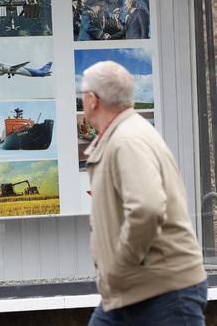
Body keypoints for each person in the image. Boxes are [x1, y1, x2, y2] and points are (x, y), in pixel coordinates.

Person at [81, 61, 207, 325]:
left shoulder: (128, 140)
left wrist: (120, 267)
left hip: (163, 293)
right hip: (129, 292)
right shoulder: (121, 135)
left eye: (83, 94)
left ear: (93, 100)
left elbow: (146, 208)